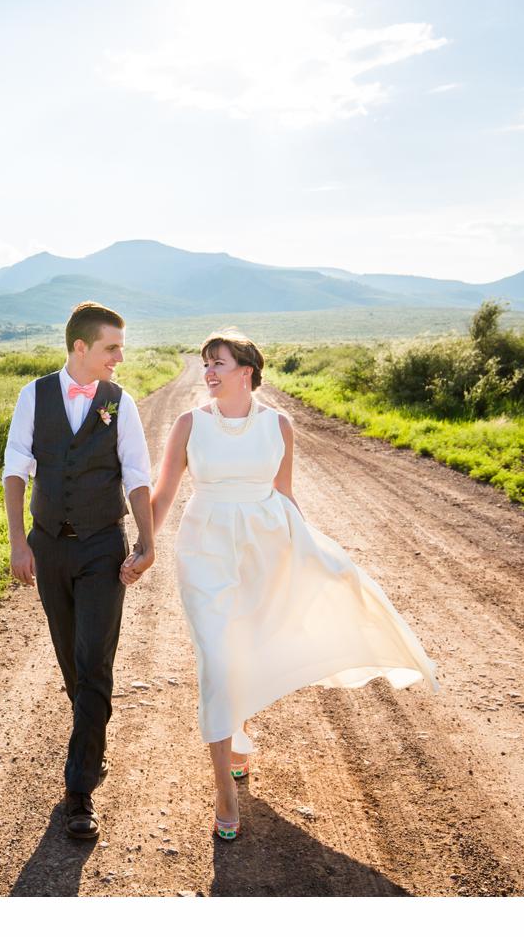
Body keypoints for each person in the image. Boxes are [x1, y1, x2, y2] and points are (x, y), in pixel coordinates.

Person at [122, 330, 440, 842]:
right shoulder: (187, 425)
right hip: (205, 547)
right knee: (216, 658)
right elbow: (162, 495)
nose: (208, 372)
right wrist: (144, 547)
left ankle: (238, 735)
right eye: (206, 364)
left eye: (218, 363)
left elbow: (286, 495)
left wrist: (317, 556)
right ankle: (224, 786)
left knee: (250, 647)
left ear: (246, 371)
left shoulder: (279, 425)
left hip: (265, 545)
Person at [2, 302, 154, 840]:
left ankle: (79, 791)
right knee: (71, 662)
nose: (120, 357)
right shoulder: (34, 395)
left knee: (94, 665)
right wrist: (19, 543)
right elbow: (16, 468)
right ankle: (92, 738)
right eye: (113, 347)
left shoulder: (121, 402)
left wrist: (147, 540)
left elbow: (137, 473)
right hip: (49, 548)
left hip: (101, 549)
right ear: (81, 348)